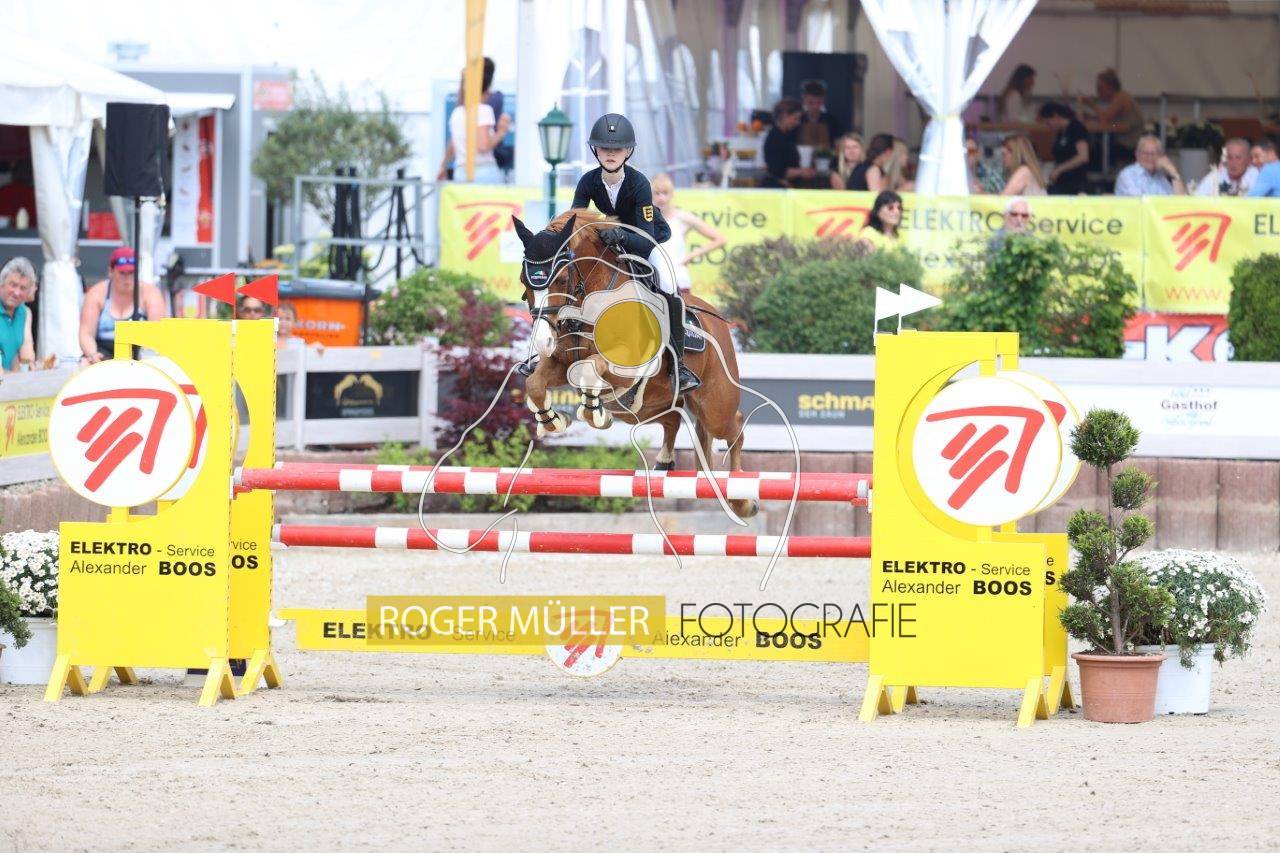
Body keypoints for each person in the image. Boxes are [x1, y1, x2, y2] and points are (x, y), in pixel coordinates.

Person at [568, 113, 699, 393]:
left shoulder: (639, 183)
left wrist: (620, 235)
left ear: (628, 152)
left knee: (667, 284)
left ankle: (679, 367)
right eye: (605, 148)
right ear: (595, 150)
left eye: (617, 149)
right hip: (611, 241)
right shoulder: (587, 182)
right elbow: (575, 221)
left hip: (646, 239)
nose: (611, 153)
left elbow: (647, 238)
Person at [78, 247, 168, 365]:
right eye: (122, 273)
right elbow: (86, 333)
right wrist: (92, 354)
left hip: (138, 354)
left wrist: (146, 358)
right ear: (111, 271)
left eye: (131, 273)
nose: (127, 278)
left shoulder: (150, 293)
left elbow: (157, 332)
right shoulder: (97, 293)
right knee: (84, 363)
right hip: (102, 353)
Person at [649, 173, 727, 296]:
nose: (661, 198)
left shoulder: (682, 217)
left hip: (679, 281)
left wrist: (690, 256)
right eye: (657, 193)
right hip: (652, 283)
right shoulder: (646, 218)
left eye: (665, 193)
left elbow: (720, 239)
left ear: (672, 194)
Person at [436, 62, 511, 185]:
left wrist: (443, 166)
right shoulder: (483, 110)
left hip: (461, 172)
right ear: (486, 89)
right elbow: (483, 146)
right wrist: (501, 132)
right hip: (484, 172)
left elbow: (453, 145)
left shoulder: (457, 113)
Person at [1081, 68, 1144, 165]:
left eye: (1100, 88)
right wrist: (1090, 117)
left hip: (1127, 145)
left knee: (1091, 152)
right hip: (1120, 141)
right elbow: (1111, 120)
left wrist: (1091, 104)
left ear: (1110, 87)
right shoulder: (1117, 99)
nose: (1098, 92)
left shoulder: (1122, 97)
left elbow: (1106, 118)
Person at [1040, 102, 1090, 195]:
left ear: (1056, 117)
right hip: (1061, 182)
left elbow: (1083, 156)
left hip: (1075, 182)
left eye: (1048, 123)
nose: (1048, 127)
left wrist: (1059, 169)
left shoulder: (1076, 128)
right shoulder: (1061, 132)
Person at [762, 99, 814, 189]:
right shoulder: (774, 139)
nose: (798, 122)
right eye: (795, 118)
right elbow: (778, 171)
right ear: (784, 116)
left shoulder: (786, 135)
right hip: (778, 189)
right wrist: (801, 172)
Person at [1115, 135, 1185, 196]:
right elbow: (1141, 202)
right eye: (1145, 153)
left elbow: (1180, 201)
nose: (1149, 157)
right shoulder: (1127, 175)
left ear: (1160, 156)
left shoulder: (1161, 178)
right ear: (1137, 155)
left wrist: (1172, 171)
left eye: (1153, 153)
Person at [0, 257, 36, 371]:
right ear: (1, 284)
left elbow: (27, 358)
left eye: (23, 288)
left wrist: (28, 370)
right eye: (13, 285)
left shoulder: (25, 312)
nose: (17, 293)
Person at [797, 80, 844, 150]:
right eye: (811, 102)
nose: (815, 107)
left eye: (819, 102)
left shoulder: (832, 121)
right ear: (804, 99)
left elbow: (838, 143)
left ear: (823, 100)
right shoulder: (797, 120)